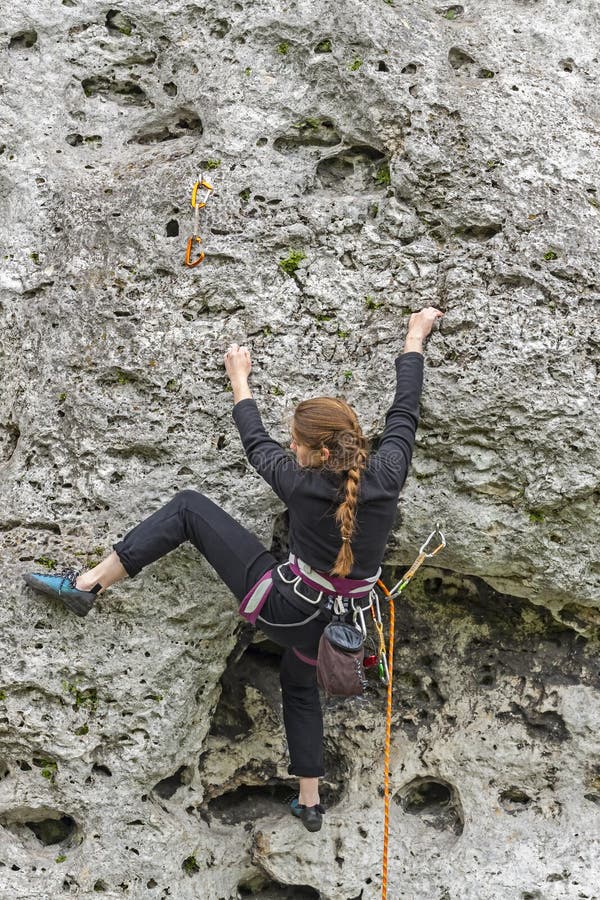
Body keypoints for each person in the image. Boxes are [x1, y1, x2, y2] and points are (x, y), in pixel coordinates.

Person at [23, 306, 443, 833]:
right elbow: (405, 410)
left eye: (297, 443)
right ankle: (310, 801)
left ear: (321, 452)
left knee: (188, 508)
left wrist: (239, 378)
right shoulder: (389, 472)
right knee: (299, 684)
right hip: (339, 631)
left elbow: (255, 443)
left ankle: (86, 584)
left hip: (284, 609)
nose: (290, 447)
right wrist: (414, 336)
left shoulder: (299, 483)